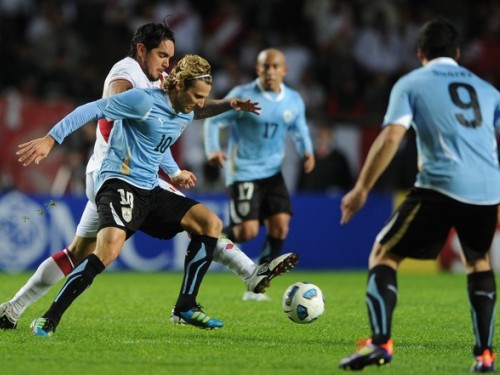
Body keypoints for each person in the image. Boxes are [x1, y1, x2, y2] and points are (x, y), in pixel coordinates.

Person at [0, 22, 299, 331]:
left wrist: (225, 109)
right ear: (142, 50)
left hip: (134, 172)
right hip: (116, 174)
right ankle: (250, 273)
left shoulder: (167, 86)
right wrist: (52, 138)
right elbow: (105, 110)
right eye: (162, 55)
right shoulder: (128, 77)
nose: (167, 63)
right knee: (113, 249)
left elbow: (185, 112)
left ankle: (12, 308)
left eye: (171, 57)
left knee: (80, 252)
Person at [16, 54, 225, 336]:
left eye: (204, 98)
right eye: (197, 96)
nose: (200, 104)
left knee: (209, 223)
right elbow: (91, 109)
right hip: (119, 182)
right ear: (180, 85)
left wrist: (174, 172)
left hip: (149, 188)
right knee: (108, 250)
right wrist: (52, 138)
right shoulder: (143, 100)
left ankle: (185, 306)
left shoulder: (185, 113)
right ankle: (49, 318)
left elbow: (155, 143)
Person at [338, 17, 500, 372]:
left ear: (420, 53)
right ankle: (485, 354)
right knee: (479, 262)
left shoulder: (411, 82)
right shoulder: (488, 90)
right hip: (487, 190)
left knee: (384, 253)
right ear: (457, 53)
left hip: (440, 184)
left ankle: (381, 343)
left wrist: (362, 188)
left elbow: (392, 137)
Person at [204, 48, 315, 301]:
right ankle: (208, 240)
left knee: (280, 226)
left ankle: (260, 280)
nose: (270, 71)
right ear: (258, 69)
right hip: (243, 171)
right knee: (247, 233)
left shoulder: (294, 99)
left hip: (273, 172)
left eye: (275, 66)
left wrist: (307, 151)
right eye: (265, 67)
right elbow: (214, 121)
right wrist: (213, 150)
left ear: (285, 71)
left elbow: (299, 129)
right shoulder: (242, 95)